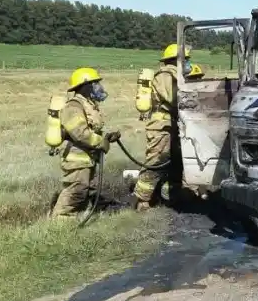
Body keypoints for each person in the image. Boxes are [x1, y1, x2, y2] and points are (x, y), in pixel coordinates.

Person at [51, 67, 120, 218]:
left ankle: (82, 216)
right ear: (85, 86)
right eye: (95, 83)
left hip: (88, 157)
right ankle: (58, 221)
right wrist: (102, 141)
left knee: (87, 189)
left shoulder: (88, 105)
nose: (98, 87)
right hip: (77, 158)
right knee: (77, 189)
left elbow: (91, 130)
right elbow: (81, 134)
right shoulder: (73, 107)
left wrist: (107, 137)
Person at [131, 44, 192, 210]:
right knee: (156, 160)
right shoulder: (165, 75)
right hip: (161, 125)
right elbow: (174, 98)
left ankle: (171, 195)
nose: (188, 62)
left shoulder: (176, 75)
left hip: (172, 125)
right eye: (185, 60)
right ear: (175, 60)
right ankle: (142, 199)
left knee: (175, 161)